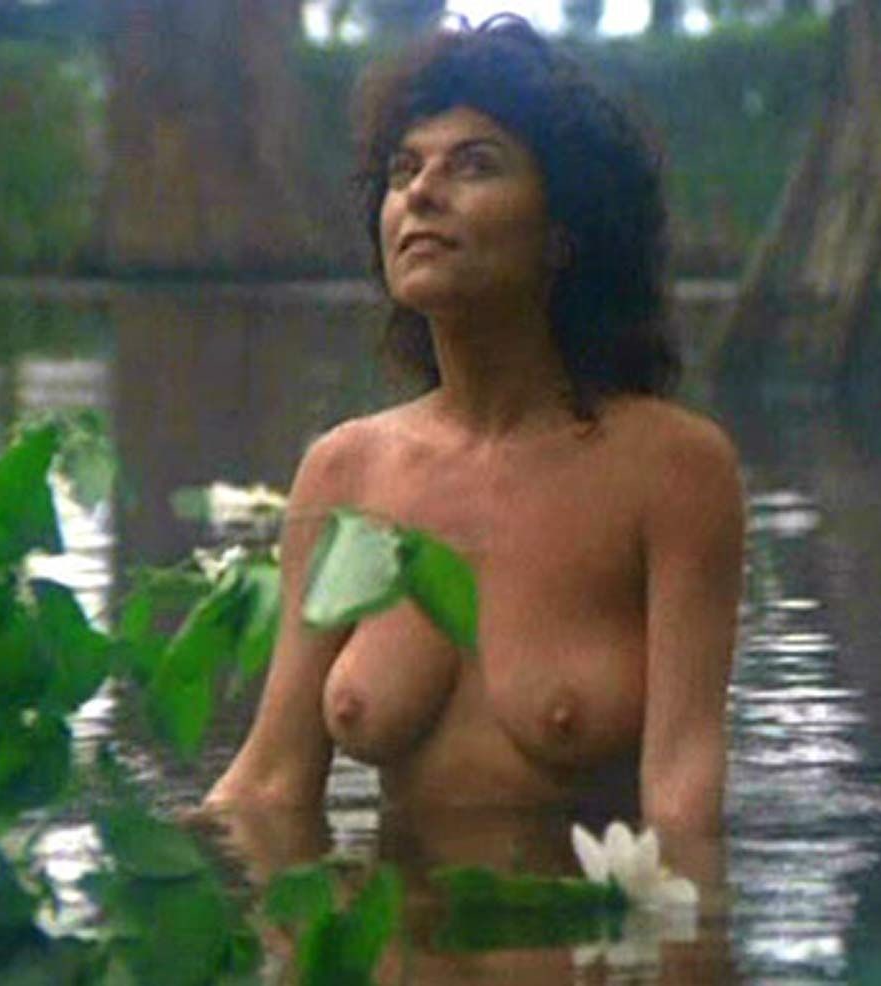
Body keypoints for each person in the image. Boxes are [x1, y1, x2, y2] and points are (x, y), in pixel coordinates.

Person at [205, 14, 745, 846]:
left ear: (564, 233)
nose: (421, 193)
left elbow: (682, 804)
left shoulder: (673, 471)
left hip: (582, 927)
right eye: (403, 169)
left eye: (475, 165)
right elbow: (272, 782)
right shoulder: (344, 473)